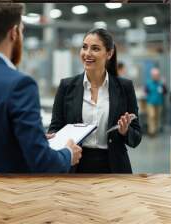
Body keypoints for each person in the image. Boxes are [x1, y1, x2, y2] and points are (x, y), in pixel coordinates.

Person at [0, 3, 82, 173]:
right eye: (22, 31)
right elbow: (42, 162)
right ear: (14, 33)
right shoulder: (20, 84)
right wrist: (68, 154)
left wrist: (27, 139)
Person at [48, 28, 142, 173]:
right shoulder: (66, 87)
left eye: (95, 48)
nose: (87, 53)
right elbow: (54, 129)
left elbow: (136, 138)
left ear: (109, 53)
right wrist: (52, 138)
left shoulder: (124, 87)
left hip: (114, 167)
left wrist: (125, 131)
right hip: (75, 166)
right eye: (84, 47)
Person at [145, 67, 167, 136]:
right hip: (150, 102)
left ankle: (156, 130)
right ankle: (152, 131)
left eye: (157, 75)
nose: (156, 76)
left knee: (157, 117)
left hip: (159, 102)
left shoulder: (161, 83)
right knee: (151, 116)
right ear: (152, 76)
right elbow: (145, 91)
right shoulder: (148, 83)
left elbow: (165, 92)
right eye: (154, 75)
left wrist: (164, 85)